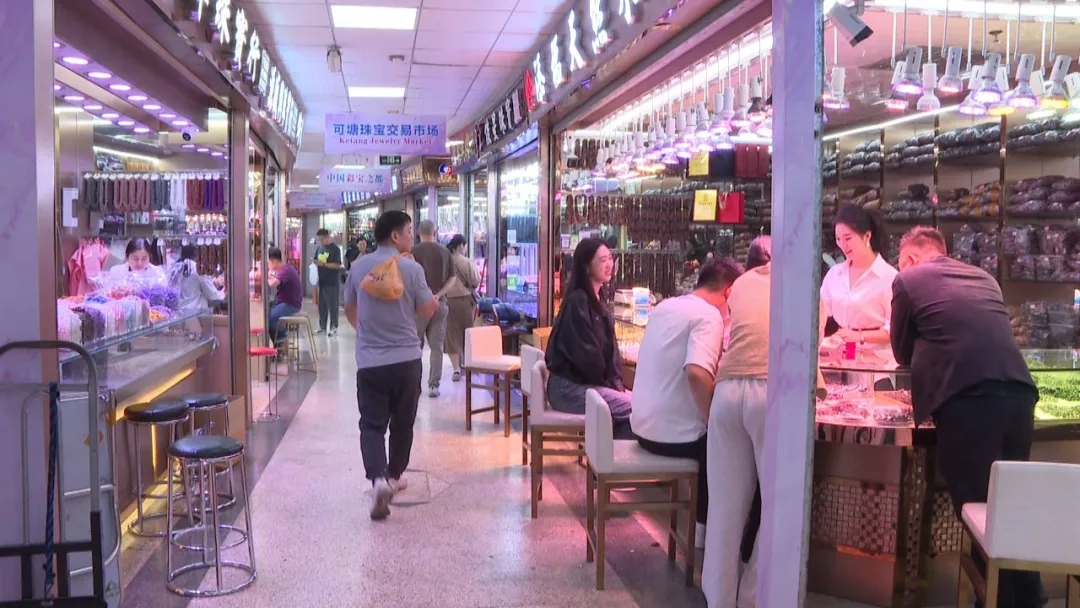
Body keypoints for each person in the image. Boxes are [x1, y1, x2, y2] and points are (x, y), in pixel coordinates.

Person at [892, 227, 1045, 608]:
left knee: (982, 513)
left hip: (969, 401)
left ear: (909, 258)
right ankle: (1029, 597)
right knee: (1008, 507)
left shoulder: (908, 280)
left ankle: (1000, 600)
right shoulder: (984, 277)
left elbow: (901, 352)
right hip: (1020, 395)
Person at [701, 256, 828, 608]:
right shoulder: (809, 288)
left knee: (723, 509)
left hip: (727, 390)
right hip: (775, 392)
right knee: (779, 507)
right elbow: (810, 350)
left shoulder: (742, 283)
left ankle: (718, 600)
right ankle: (753, 598)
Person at [630, 256, 744, 549]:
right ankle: (710, 535)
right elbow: (696, 373)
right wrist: (712, 420)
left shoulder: (665, 306)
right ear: (730, 291)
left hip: (641, 428)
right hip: (673, 438)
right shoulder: (709, 316)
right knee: (733, 443)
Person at [344, 211, 450, 520]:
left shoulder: (358, 267)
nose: (411, 236)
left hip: (370, 362)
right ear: (394, 235)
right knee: (402, 423)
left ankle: (378, 479)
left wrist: (366, 333)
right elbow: (427, 308)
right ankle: (393, 476)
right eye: (408, 231)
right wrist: (430, 304)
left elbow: (350, 309)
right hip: (406, 360)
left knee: (371, 425)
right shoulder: (411, 268)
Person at [544, 238, 633, 437]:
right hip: (569, 389)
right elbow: (587, 357)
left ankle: (610, 452)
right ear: (586, 266)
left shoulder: (598, 298)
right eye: (602, 260)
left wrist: (616, 384)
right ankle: (614, 454)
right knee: (637, 409)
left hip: (588, 383)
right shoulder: (578, 301)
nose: (609, 264)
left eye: (610, 258)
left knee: (640, 407)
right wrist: (613, 386)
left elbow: (605, 353)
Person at [820, 204, 899, 362]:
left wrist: (859, 336)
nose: (843, 245)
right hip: (842, 354)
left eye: (848, 238)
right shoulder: (835, 274)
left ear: (867, 236)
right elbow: (820, 313)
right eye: (838, 239)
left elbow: (895, 330)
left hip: (877, 359)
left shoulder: (889, 277)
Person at [411, 220, 458, 397]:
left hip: (418, 306)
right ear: (435, 232)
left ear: (418, 233)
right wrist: (438, 295)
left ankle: (414, 384)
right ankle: (433, 385)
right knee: (437, 347)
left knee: (415, 345)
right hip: (440, 304)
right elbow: (452, 279)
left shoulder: (412, 252)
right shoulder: (445, 252)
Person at [444, 234, 479, 382]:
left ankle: (456, 370)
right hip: (465, 302)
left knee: (452, 335)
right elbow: (475, 281)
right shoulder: (466, 262)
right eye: (465, 246)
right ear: (460, 246)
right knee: (467, 333)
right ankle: (467, 364)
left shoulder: (445, 261)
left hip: (449, 301)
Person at [168, 244, 224, 313]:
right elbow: (211, 294)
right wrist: (224, 301)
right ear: (196, 253)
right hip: (196, 312)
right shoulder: (198, 269)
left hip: (179, 312)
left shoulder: (175, 267)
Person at [266, 247, 303, 346]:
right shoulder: (285, 269)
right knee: (267, 313)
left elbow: (273, 283)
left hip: (291, 304)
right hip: (285, 302)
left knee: (269, 318)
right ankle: (277, 344)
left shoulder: (285, 270)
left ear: (274, 261)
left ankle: (281, 337)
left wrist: (265, 275)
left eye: (269, 262)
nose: (268, 265)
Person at [313, 228, 343, 336]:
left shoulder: (335, 249)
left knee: (333, 305)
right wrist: (315, 262)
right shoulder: (320, 248)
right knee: (322, 306)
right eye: (319, 240)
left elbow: (337, 265)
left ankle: (334, 326)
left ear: (328, 237)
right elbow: (316, 260)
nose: (321, 242)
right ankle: (322, 327)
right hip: (322, 281)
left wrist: (324, 264)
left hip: (332, 281)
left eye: (322, 239)